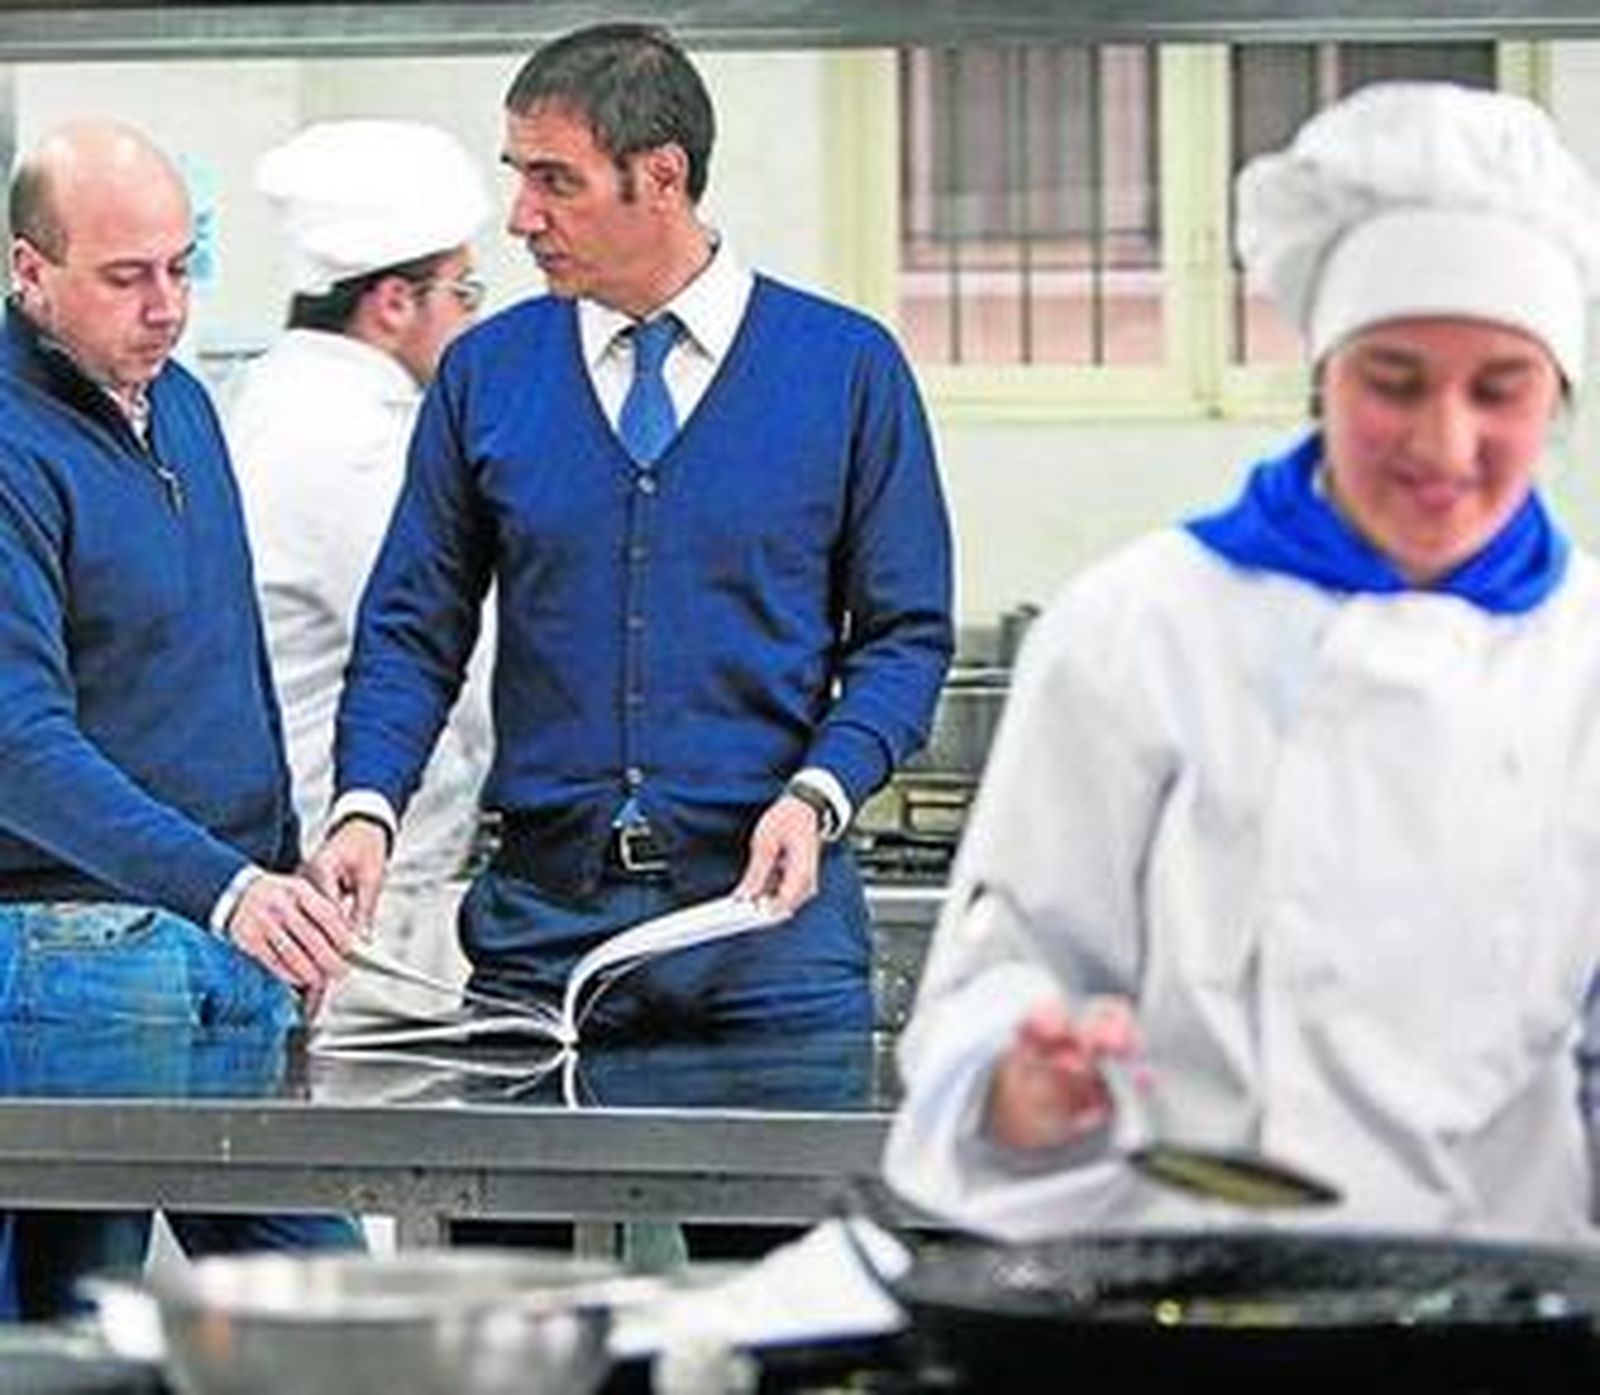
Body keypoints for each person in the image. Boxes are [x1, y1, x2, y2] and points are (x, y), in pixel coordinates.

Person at [884, 81, 1600, 1244]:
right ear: (1320, 376)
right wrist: (1024, 1081)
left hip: (1511, 1313)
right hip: (1184, 1301)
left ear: (1556, 397)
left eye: (1499, 388)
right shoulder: (1140, 628)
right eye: (1395, 381)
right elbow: (1011, 968)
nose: (1443, 442)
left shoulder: (1584, 657)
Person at [311, 22, 954, 1042]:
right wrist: (365, 805)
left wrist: (820, 792)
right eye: (519, 175)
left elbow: (905, 638)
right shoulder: (489, 376)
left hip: (766, 937)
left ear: (661, 176)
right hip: (538, 932)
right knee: (505, 1204)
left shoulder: (845, 369)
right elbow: (412, 628)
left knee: (779, 1212)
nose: (522, 217)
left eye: (555, 182)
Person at [0, 118, 360, 1318]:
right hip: (77, 959)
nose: (165, 305)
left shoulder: (187, 406)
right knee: (71, 1332)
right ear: (27, 270)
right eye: (124, 276)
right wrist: (234, 889)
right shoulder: (10, 446)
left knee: (331, 1322)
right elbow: (17, 744)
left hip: (226, 936)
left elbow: (231, 658)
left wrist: (283, 867)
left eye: (181, 264)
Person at [228, 119, 494, 1026]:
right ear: (392, 302)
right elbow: (456, 659)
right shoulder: (354, 443)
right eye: (463, 291)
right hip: (355, 900)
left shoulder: (276, 398)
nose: (473, 317)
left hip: (337, 888)